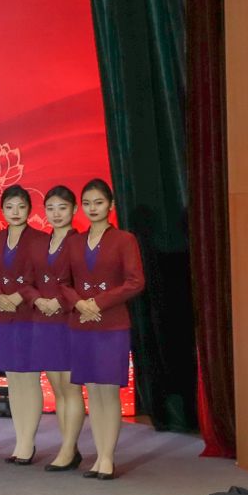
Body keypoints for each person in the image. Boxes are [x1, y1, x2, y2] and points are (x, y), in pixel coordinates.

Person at [66, 179, 145, 479]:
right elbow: (63, 282)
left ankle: (108, 458)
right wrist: (79, 303)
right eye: (87, 203)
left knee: (108, 391)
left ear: (110, 205)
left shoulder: (124, 239)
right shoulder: (74, 242)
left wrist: (97, 303)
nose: (92, 208)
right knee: (92, 391)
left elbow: (135, 282)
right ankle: (98, 457)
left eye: (98, 202)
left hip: (111, 324)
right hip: (81, 324)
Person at [0, 185, 52, 464]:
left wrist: (18, 295)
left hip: (30, 316)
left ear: (29, 209)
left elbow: (41, 276)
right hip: (4, 316)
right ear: (2, 210)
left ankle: (28, 442)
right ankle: (20, 439)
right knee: (14, 380)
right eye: (10, 207)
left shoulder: (41, 239)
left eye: (21, 207)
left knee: (29, 377)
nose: (15, 212)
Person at [37, 186, 85, 472]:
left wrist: (59, 301)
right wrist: (38, 300)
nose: (56, 214)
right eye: (51, 208)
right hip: (46, 321)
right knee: (57, 389)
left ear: (74, 210)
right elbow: (31, 278)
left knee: (71, 388)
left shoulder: (79, 242)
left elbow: (82, 280)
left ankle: (67, 449)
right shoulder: (44, 242)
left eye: (62, 208)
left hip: (69, 320)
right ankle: (70, 447)